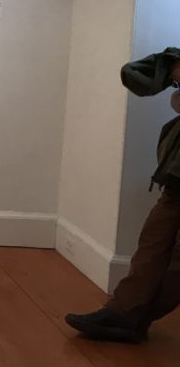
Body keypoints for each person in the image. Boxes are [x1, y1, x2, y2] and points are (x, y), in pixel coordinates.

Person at [65, 47, 180, 342]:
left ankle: (134, 317)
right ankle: (122, 314)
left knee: (176, 263)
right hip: (175, 177)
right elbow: (137, 75)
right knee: (152, 245)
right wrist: (170, 66)